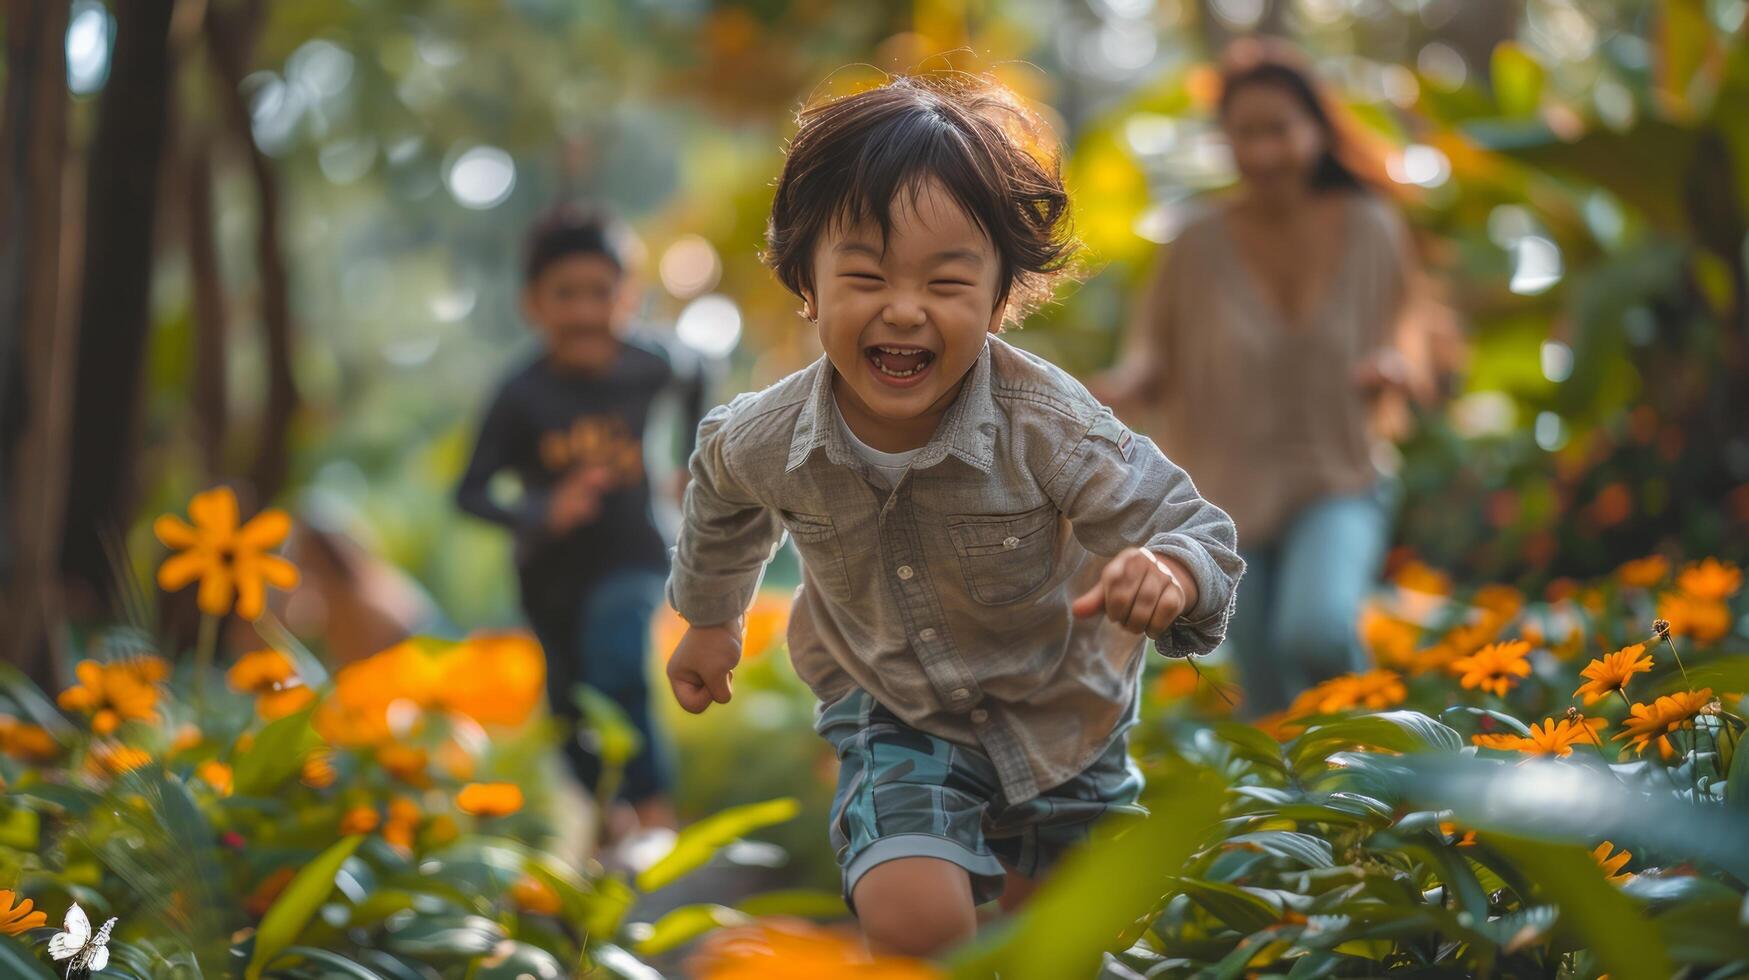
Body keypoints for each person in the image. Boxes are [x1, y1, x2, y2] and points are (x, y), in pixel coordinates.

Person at [663, 74, 1244, 957]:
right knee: (916, 919)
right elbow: (721, 495)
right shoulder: (765, 436)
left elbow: (1192, 528)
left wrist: (1166, 572)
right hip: (891, 706)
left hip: (1063, 719)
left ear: (1001, 296)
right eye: (863, 275)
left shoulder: (1049, 426)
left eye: (945, 281)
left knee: (1066, 943)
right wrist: (712, 619)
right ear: (807, 284)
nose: (903, 308)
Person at [1095, 41, 1444, 718]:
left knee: (1315, 629)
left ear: (1315, 129)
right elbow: (1146, 354)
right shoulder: (1191, 245)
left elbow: (1408, 336)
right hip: (1224, 504)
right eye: (1243, 134)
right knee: (1265, 696)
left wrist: (1395, 368)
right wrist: (1119, 385)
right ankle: (1303, 820)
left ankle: (1387, 760)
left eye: (1278, 129)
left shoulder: (1371, 226)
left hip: (1338, 478)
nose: (1262, 151)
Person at [455, 206, 705, 842]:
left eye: (602, 293)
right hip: (550, 577)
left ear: (628, 296)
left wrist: (688, 463)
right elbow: (470, 493)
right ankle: (608, 821)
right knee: (568, 706)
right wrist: (543, 510)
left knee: (616, 654)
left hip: (634, 551)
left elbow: (701, 371)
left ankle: (653, 813)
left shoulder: (649, 363)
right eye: (567, 295)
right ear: (533, 304)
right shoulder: (520, 395)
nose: (587, 312)